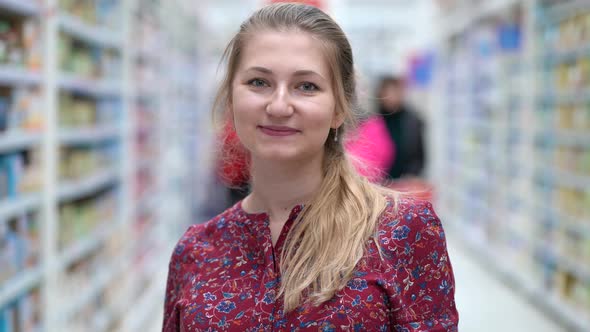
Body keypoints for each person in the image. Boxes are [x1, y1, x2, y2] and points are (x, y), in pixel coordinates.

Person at [163, 3, 458, 331]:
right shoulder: (194, 253)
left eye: (307, 86)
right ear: (231, 98)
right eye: (259, 82)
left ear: (339, 109)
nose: (278, 105)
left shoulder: (402, 232)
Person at [376, 76, 426, 179]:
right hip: (378, 182)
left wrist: (411, 176)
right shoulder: (373, 121)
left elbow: (419, 156)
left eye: (394, 92)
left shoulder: (413, 121)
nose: (390, 97)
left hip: (404, 182)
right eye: (387, 92)